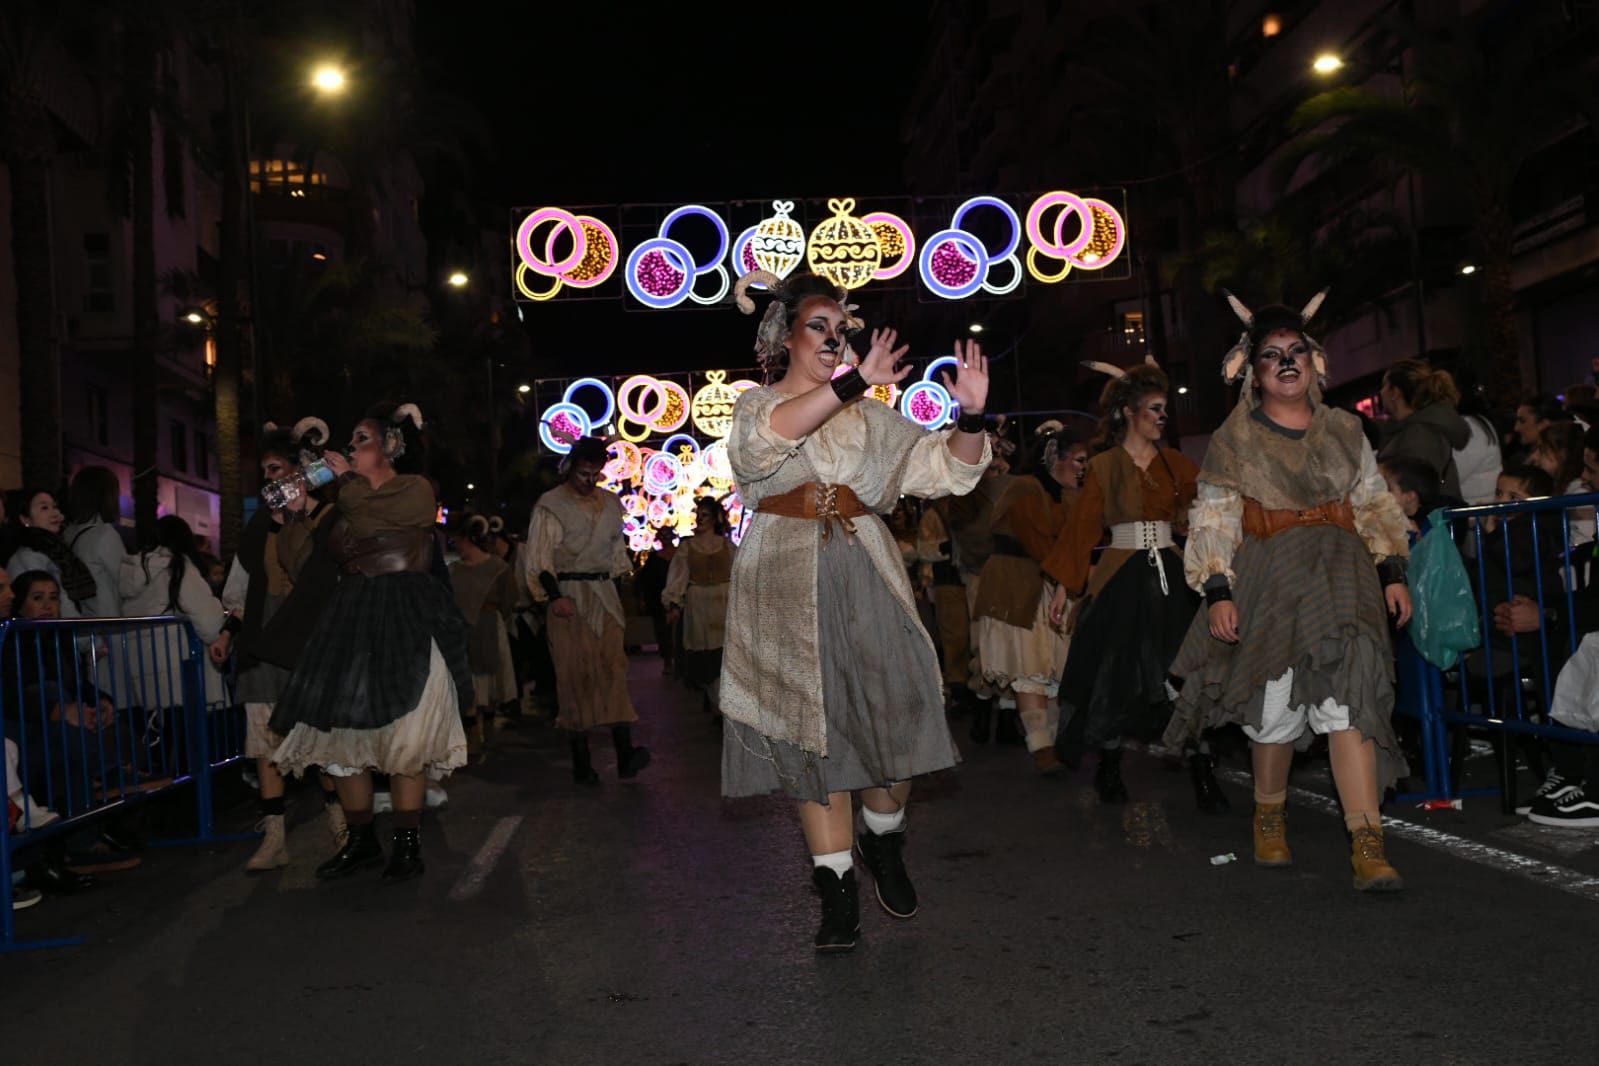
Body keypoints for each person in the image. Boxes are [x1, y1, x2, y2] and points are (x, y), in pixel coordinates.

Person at [719, 268, 991, 952]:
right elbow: (767, 446)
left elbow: (942, 471)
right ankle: (835, 891)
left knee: (893, 725)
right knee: (808, 735)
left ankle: (885, 839)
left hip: (866, 568)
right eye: (821, 327)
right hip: (782, 577)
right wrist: (851, 384)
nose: (836, 341)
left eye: (844, 331)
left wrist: (970, 417)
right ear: (783, 336)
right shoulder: (756, 407)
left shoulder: (870, 414)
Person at [1166, 291, 1413, 893]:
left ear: (1314, 362)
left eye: (1295, 351)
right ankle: (1269, 816)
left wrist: (1393, 573)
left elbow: (1373, 502)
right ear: (1251, 372)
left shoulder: (1347, 428)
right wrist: (1219, 589)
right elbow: (1214, 516)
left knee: (1350, 700)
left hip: (1343, 573)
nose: (1286, 362)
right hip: (1271, 580)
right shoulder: (1235, 440)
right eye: (1271, 354)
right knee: (1272, 713)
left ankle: (1367, 845)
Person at [269, 403, 472, 883]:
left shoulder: (412, 489)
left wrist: (343, 486)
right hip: (352, 618)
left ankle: (406, 846)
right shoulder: (344, 503)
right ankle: (360, 841)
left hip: (407, 614)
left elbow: (385, 513)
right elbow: (301, 566)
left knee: (408, 732)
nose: (351, 448)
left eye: (362, 438)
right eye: (352, 440)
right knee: (340, 735)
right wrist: (295, 517)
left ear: (391, 447)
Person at [1041, 358, 1224, 811]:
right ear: (1128, 412)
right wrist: (1065, 586)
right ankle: (1109, 767)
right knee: (1114, 672)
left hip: (1171, 576)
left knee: (1188, 671)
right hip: (1121, 578)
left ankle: (1204, 771)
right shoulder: (1102, 467)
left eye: (1165, 409)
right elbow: (1083, 527)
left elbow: (1206, 517)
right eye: (1155, 408)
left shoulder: (1177, 463)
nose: (1163, 416)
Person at [210, 419, 346, 871]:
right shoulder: (256, 527)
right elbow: (241, 587)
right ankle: (274, 839)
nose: (270, 479)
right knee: (264, 742)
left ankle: (342, 828)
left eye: (276, 469)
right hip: (264, 640)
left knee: (320, 742)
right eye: (265, 472)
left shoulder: (325, 518)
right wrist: (228, 633)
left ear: (300, 472)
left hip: (309, 640)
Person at [524, 436, 651, 786]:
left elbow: (615, 554)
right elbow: (540, 556)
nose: (589, 481)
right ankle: (582, 763)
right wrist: (554, 597)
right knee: (574, 673)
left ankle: (625, 755)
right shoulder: (551, 505)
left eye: (595, 474)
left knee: (613, 668)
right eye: (583, 473)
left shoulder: (610, 503)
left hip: (603, 594)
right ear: (570, 467)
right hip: (568, 594)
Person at [971, 423, 1084, 774]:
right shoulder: (1025, 489)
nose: (1084, 468)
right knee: (1029, 664)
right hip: (1016, 585)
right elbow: (1042, 543)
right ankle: (1040, 745)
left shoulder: (1063, 495)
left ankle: (1049, 742)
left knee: (1050, 668)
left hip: (1048, 581)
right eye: (1078, 460)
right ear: (1056, 461)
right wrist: (1067, 576)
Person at [118, 515, 229, 715]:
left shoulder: (131, 572)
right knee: (192, 739)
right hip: (182, 677)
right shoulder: (179, 568)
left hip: (144, 677)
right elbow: (209, 623)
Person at [449, 513, 519, 757]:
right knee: (468, 682)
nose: (456, 545)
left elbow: (510, 598)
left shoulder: (497, 568)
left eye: (458, 540)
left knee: (488, 681)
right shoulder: (455, 570)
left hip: (489, 627)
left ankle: (488, 732)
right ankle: (472, 735)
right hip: (464, 633)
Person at [662, 496, 736, 716]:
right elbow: (678, 577)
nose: (700, 518)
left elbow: (740, 573)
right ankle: (716, 702)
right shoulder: (688, 548)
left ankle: (724, 706)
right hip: (699, 607)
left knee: (725, 654)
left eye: (705, 514)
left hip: (723, 603)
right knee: (705, 657)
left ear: (715, 519)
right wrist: (674, 603)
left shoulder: (727, 546)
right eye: (698, 514)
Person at [1377, 360, 1471, 502]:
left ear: (1394, 392)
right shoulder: (1412, 428)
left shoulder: (1419, 433)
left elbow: (1415, 488)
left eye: (1384, 385)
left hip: (1429, 519)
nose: (1381, 392)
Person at [3, 489, 96, 617]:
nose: (55, 513)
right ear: (25, 519)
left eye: (55, 507)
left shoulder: (58, 551)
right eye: (44, 508)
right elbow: (57, 602)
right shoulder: (29, 556)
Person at [62, 466, 126, 617]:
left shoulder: (67, 533)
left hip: (80, 623)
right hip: (107, 625)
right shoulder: (105, 535)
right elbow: (125, 581)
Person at [1527, 421, 1595, 547]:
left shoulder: (1579, 493)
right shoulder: (1563, 488)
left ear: (1562, 454)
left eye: (1542, 450)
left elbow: (1581, 543)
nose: (1534, 457)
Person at [1452, 389, 1504, 506]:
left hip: (1476, 507)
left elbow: (1457, 471)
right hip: (1479, 503)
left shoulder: (1471, 427)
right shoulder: (1480, 424)